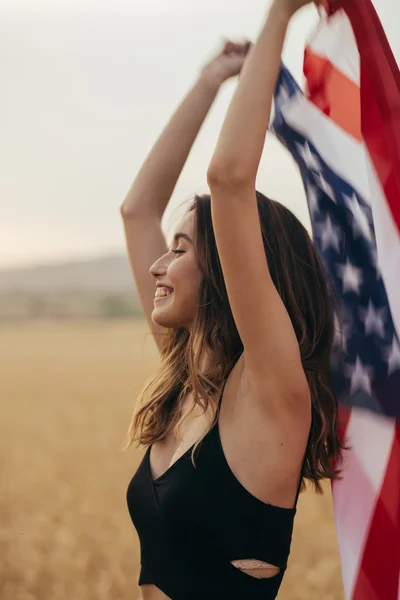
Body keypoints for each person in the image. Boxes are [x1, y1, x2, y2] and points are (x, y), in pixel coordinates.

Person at [121, 0, 344, 598]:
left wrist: (278, 15)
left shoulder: (272, 388)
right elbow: (136, 209)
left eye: (182, 250)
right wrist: (209, 80)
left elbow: (229, 180)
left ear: (225, 272)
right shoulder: (192, 374)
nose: (158, 267)